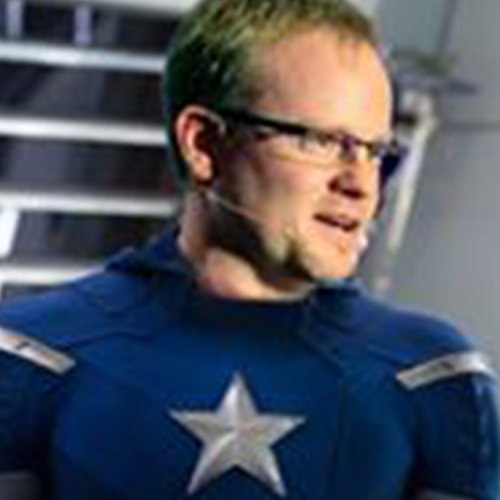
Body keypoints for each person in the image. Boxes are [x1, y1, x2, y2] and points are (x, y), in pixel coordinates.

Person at [0, 0, 498, 498]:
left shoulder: (430, 380)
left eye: (376, 152)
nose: (361, 185)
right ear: (202, 143)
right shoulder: (33, 360)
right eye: (321, 141)